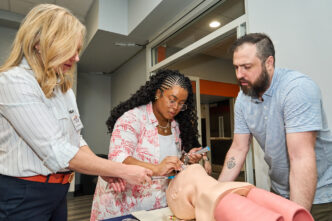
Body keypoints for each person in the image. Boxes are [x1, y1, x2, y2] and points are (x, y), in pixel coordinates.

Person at [0, 4, 152, 221]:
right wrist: (122, 170)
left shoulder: (63, 89)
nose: (77, 58)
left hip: (57, 192)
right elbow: (57, 150)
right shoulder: (13, 81)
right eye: (71, 48)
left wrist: (101, 169)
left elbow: (75, 139)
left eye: (78, 50)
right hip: (23, 195)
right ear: (40, 43)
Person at [218, 33, 332, 221]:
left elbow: (301, 158)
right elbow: (238, 149)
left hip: (319, 195)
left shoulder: (297, 89)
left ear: (269, 63)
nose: (239, 75)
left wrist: (295, 214)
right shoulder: (243, 98)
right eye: (236, 67)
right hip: (279, 191)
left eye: (246, 67)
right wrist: (216, 192)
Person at [91, 69, 204, 220]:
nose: (176, 107)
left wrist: (186, 159)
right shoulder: (133, 118)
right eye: (172, 100)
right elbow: (118, 157)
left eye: (181, 104)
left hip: (156, 206)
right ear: (158, 93)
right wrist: (156, 169)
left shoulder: (176, 127)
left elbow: (170, 165)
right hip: (123, 206)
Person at [166, 164, 313, 221]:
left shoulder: (176, 189)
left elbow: (183, 213)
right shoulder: (196, 169)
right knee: (288, 212)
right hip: (238, 189)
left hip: (218, 199)